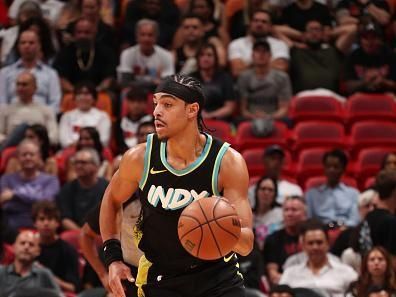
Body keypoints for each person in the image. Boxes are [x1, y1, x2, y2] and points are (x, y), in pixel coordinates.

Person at [99, 74, 254, 297]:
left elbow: (247, 243)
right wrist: (113, 258)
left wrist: (219, 228)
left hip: (217, 277)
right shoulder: (139, 158)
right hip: (162, 277)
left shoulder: (228, 162)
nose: (156, 112)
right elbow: (112, 199)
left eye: (167, 104)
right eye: (156, 104)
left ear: (192, 110)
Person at [280, 221, 358, 297]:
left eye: (319, 242)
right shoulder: (290, 274)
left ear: (327, 244)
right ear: (303, 246)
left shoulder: (346, 272)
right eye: (310, 243)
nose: (315, 247)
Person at [0, 140, 60, 237]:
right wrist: (35, 199)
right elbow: (6, 204)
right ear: (18, 157)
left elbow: (47, 203)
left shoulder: (51, 180)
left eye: (31, 154)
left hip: (41, 229)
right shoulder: (6, 179)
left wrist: (14, 195)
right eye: (24, 155)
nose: (28, 157)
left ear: (39, 157)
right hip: (10, 228)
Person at [32, 200, 80, 293]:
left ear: (58, 223)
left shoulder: (68, 250)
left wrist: (49, 278)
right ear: (35, 223)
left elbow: (74, 288)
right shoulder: (27, 247)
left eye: (50, 219)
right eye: (41, 219)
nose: (46, 223)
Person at [0, 71, 58, 146]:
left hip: (38, 149)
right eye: (18, 84)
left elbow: (54, 137)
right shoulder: (5, 110)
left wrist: (35, 142)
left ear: (35, 87)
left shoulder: (46, 110)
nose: (20, 88)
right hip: (12, 148)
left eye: (24, 84)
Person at [305, 149, 360, 227]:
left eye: (336, 167)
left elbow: (355, 220)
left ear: (343, 169)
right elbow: (309, 220)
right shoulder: (311, 195)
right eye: (328, 166)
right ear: (324, 168)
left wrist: (343, 228)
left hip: (346, 231)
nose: (331, 170)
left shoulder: (353, 194)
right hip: (321, 232)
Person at [57, 148, 108, 230]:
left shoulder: (107, 187)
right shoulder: (67, 189)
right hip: (75, 233)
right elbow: (65, 219)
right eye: (76, 163)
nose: (78, 166)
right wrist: (82, 234)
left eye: (83, 163)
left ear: (96, 166)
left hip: (101, 233)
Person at [0, 230, 62, 297]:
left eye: (31, 245)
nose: (26, 247)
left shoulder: (44, 274)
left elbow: (59, 295)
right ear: (14, 248)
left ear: (38, 251)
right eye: (22, 243)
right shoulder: (1, 272)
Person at [263, 196, 306, 285]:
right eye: (286, 210)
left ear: (304, 214)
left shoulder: (313, 236)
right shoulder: (273, 239)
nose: (289, 214)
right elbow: (273, 275)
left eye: (294, 210)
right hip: (285, 286)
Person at [191, 42, 236, 121]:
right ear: (197, 58)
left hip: (219, 120)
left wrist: (210, 116)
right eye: (202, 55)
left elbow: (229, 108)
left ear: (215, 58)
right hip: (195, 119)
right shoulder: (190, 79)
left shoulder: (225, 78)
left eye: (209, 55)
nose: (205, 58)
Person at [253, 176, 283, 250]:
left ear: (275, 194)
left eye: (270, 190)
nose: (266, 192)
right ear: (256, 192)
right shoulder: (249, 214)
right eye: (263, 189)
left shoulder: (281, 213)